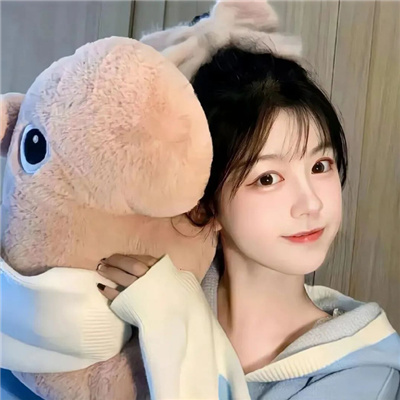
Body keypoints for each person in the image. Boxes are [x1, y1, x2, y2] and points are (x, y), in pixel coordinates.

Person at [97, 1, 400, 399]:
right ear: (204, 203)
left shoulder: (366, 375)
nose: (310, 204)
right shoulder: (145, 301)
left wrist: (172, 324)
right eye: (268, 178)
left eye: (320, 166)